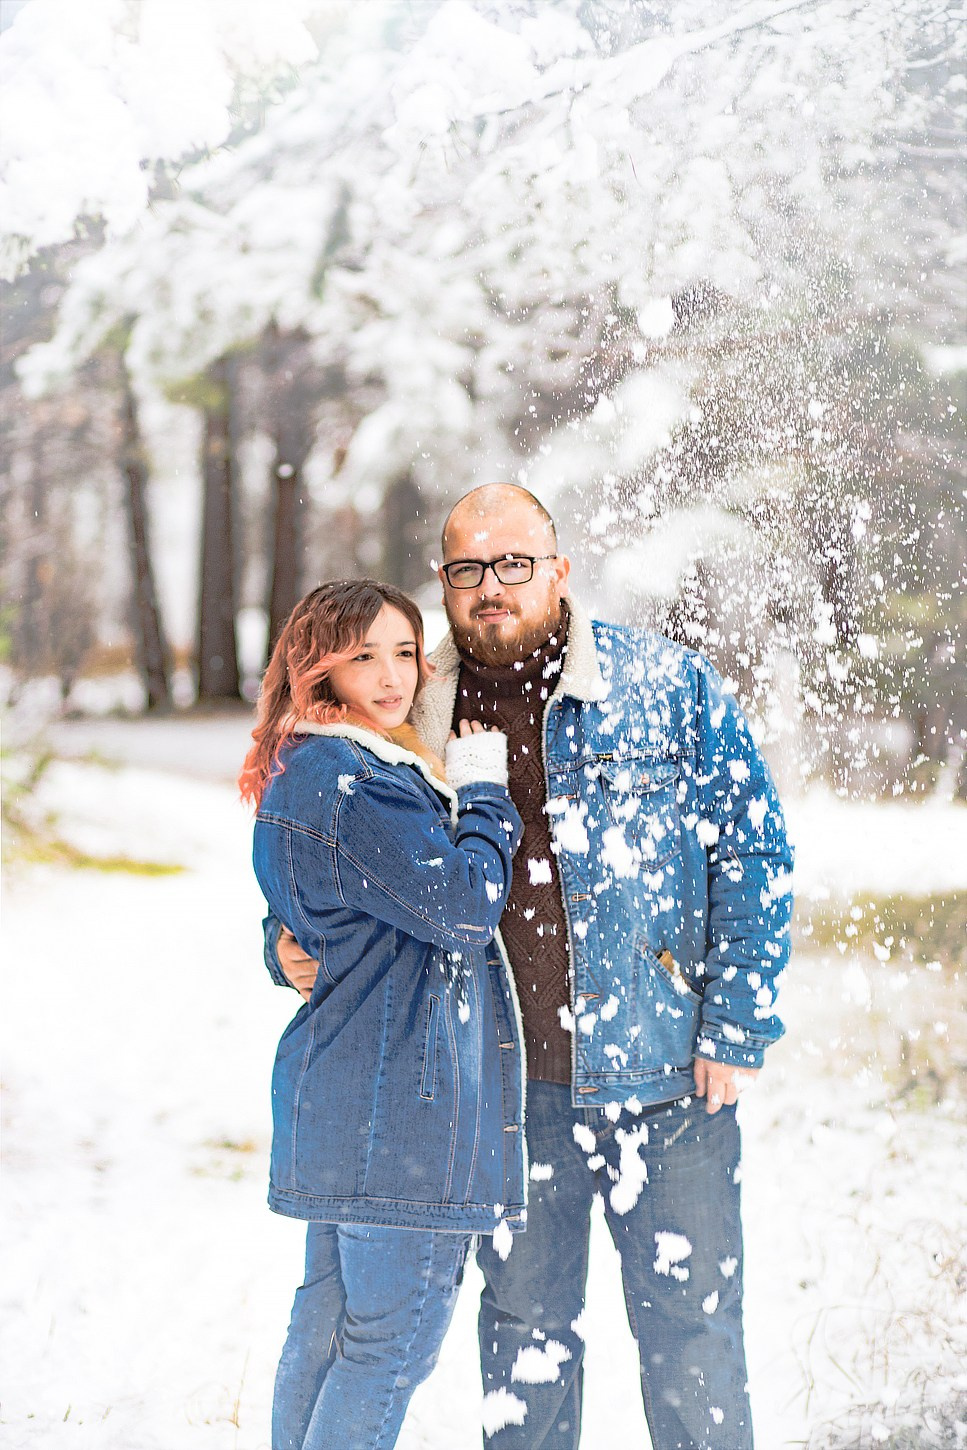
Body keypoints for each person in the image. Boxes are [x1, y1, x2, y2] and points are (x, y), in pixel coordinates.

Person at [272, 489, 794, 1450]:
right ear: (445, 583)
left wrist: (735, 1023)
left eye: (514, 563)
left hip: (666, 1076)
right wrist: (283, 941)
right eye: (468, 569)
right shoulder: (408, 706)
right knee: (524, 1340)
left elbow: (753, 850)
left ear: (557, 568)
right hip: (504, 1093)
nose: (492, 587)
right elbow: (334, 848)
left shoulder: (663, 684)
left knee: (692, 1335)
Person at [240, 578, 526, 1450]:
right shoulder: (363, 783)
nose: (392, 673)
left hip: (342, 1096)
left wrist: (275, 943)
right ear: (316, 664)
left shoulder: (305, 763)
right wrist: (484, 793)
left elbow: (319, 909)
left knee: (327, 1334)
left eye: (404, 651)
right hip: (401, 1113)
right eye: (362, 654)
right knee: (388, 1348)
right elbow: (463, 909)